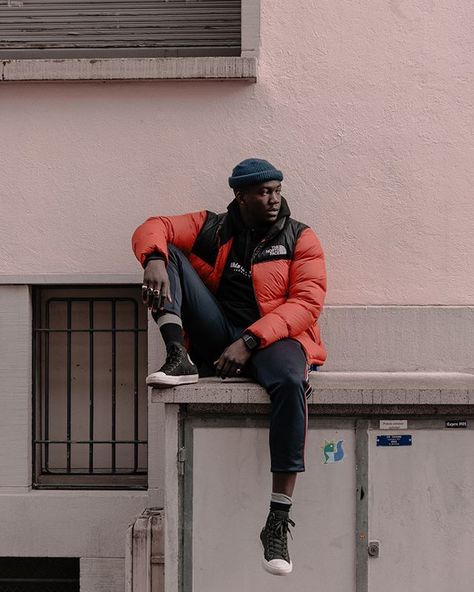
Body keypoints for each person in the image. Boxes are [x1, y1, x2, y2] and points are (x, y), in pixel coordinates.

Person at [132, 158, 327, 576]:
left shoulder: (299, 238)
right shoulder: (214, 228)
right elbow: (155, 225)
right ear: (240, 196)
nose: (273, 199)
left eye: (277, 189)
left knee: (292, 382)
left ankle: (277, 520)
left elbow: (307, 304)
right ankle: (177, 357)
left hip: (273, 339)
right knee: (166, 256)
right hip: (220, 333)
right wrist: (152, 257)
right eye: (263, 192)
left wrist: (250, 340)